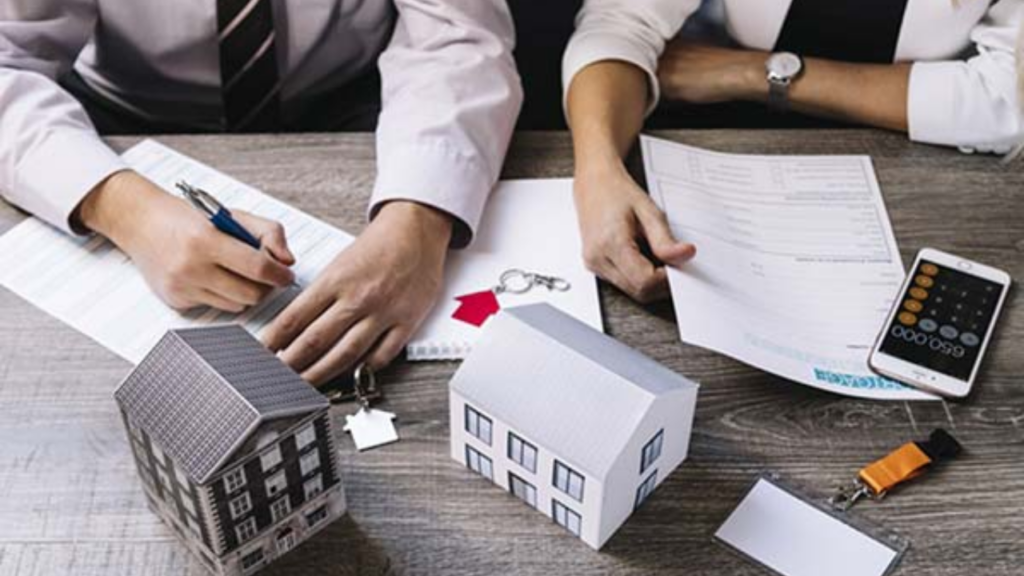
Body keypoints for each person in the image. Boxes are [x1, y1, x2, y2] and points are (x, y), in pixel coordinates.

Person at [0, 0, 522, 385]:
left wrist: (419, 218)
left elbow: (457, 37)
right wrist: (123, 209)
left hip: (356, 104)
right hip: (123, 119)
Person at [563, 0, 1024, 303]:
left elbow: (1007, 100)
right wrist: (598, 172)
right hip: (724, 147)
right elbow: (622, 23)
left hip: (927, 174)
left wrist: (756, 73)